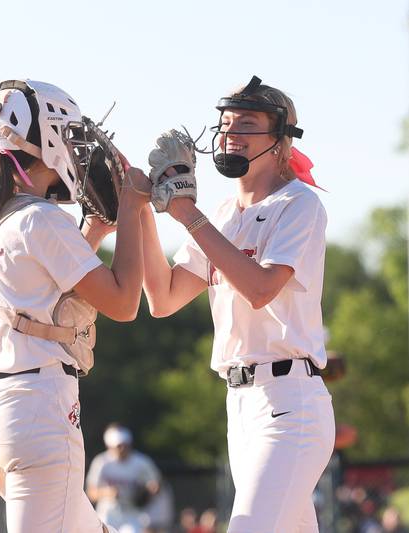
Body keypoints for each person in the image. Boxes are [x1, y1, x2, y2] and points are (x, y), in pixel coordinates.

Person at [140, 75, 335, 532]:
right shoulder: (224, 214)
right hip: (240, 406)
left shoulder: (299, 204)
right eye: (225, 123)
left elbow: (262, 288)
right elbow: (164, 298)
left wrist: (187, 213)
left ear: (281, 141)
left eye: (245, 124)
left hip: (290, 405)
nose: (229, 134)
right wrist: (141, 209)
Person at [0, 79, 150, 533]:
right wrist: (130, 207)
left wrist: (95, 235)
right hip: (36, 412)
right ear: (44, 138)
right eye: (66, 135)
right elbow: (124, 302)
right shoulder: (43, 219)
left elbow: (43, 295)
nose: (74, 148)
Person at [86, 424, 162, 533]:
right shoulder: (101, 462)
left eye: (124, 445)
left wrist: (149, 490)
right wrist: (107, 492)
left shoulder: (141, 462)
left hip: (132, 514)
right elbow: (91, 492)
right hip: (108, 514)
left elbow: (156, 484)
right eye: (118, 446)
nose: (122, 449)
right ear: (110, 446)